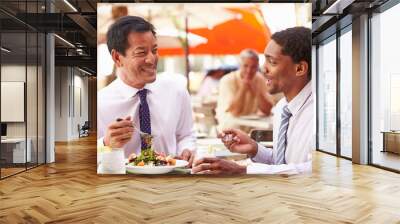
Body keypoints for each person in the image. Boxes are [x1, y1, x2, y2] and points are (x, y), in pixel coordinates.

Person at [192, 27, 313, 174]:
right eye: (265, 60)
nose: (262, 68)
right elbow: (282, 163)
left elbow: (311, 168)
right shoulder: (283, 108)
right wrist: (255, 149)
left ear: (299, 68)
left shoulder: (318, 113)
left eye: (272, 62)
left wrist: (243, 170)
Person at [97, 16, 196, 166]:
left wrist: (187, 149)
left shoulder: (176, 91)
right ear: (117, 57)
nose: (152, 59)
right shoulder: (99, 104)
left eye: (154, 50)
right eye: (141, 52)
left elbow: (186, 135)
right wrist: (106, 144)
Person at [215, 49, 276, 131]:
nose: (249, 71)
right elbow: (235, 112)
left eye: (253, 67)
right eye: (246, 66)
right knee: (234, 126)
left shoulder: (260, 79)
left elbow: (267, 110)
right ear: (240, 65)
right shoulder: (227, 80)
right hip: (229, 125)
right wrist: (243, 88)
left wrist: (257, 91)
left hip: (249, 126)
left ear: (258, 66)